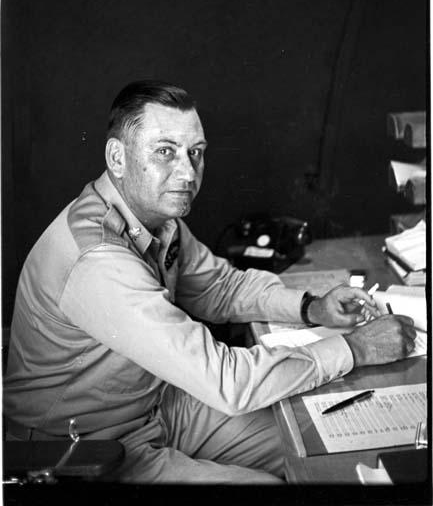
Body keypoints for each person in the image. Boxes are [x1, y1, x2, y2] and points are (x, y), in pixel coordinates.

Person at [4, 81, 416, 484]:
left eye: (195, 153)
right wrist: (356, 348)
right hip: (89, 446)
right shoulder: (96, 258)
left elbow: (219, 287)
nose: (187, 172)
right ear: (118, 158)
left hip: (157, 404)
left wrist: (312, 307)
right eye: (165, 152)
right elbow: (225, 382)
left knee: (316, 441)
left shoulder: (154, 216)